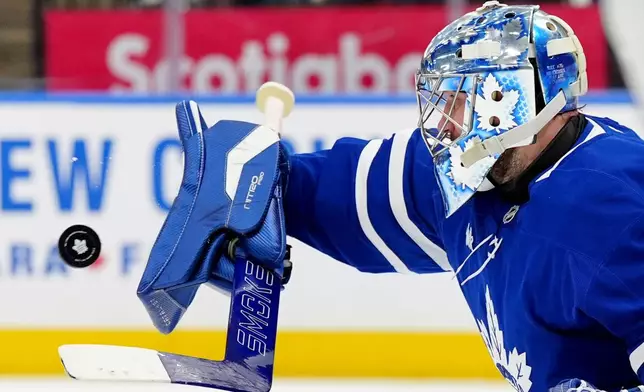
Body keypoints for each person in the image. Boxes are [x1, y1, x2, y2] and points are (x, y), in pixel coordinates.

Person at [138, 1, 644, 391]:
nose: (443, 124)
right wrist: (260, 190)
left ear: (509, 101)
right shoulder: (473, 177)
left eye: (458, 103)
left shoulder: (615, 212)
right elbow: (355, 194)